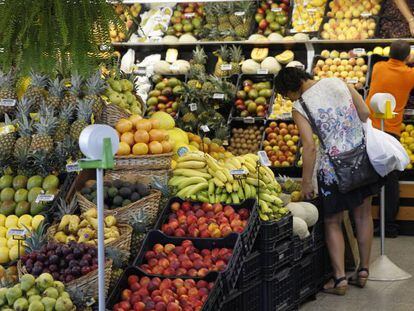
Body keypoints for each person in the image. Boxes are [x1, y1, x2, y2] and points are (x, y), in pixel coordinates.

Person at [275, 68, 383, 295]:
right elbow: (364, 112)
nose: (289, 100)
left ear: (290, 90)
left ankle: (340, 279)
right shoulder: (338, 82)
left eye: (286, 95)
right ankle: (363, 271)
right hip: (360, 159)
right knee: (363, 216)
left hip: (332, 170)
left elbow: (310, 146)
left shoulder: (300, 106)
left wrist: (306, 182)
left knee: (332, 221)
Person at [366, 40, 414, 238]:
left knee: (369, 175)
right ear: (407, 57)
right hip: (390, 132)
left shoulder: (377, 67)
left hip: (369, 127)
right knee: (390, 179)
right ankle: (390, 227)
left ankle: (361, 222)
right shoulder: (409, 74)